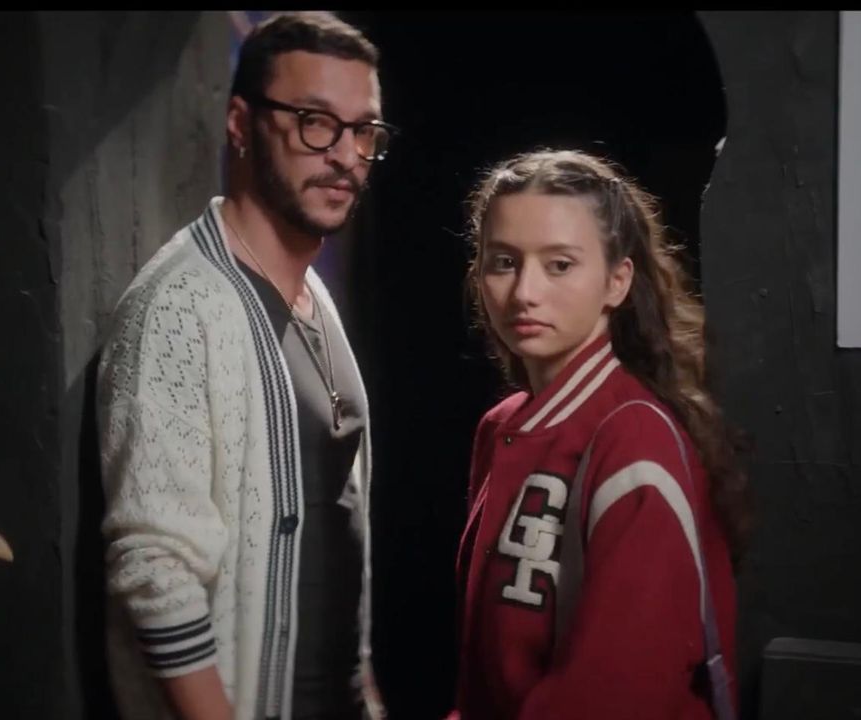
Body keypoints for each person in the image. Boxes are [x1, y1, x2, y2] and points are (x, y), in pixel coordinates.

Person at [95, 11, 398, 720]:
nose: (344, 155)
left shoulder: (315, 298)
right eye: (314, 122)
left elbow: (336, 532)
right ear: (240, 122)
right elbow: (155, 571)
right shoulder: (180, 306)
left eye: (363, 131)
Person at [450, 149, 746, 719]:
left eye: (560, 265)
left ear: (617, 281)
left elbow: (615, 693)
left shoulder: (634, 442)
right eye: (504, 262)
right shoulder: (502, 427)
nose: (524, 292)